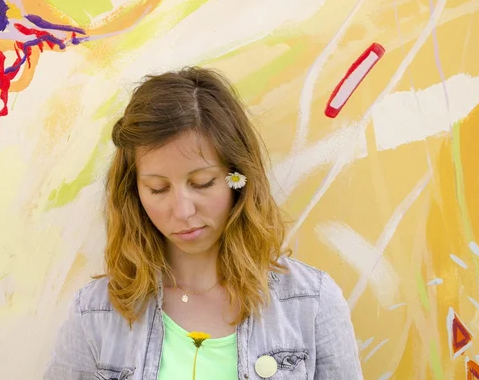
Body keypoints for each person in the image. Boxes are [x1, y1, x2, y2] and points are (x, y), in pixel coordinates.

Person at [43, 67, 363, 380]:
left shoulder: (311, 302)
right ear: (135, 191)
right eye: (158, 188)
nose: (182, 211)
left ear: (237, 178)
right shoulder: (94, 313)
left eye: (203, 182)